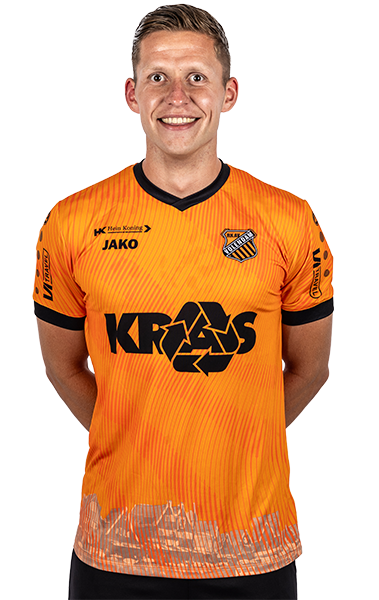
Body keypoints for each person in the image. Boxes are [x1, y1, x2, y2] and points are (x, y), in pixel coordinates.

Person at [33, 4, 333, 599]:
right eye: (158, 77)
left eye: (197, 77)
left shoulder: (289, 219)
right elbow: (62, 366)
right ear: (131, 94)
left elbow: (310, 368)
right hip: (115, 549)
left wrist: (236, 437)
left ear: (229, 93)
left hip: (253, 549)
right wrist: (134, 433)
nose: (178, 96)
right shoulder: (72, 221)